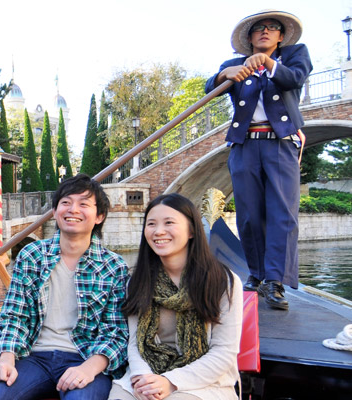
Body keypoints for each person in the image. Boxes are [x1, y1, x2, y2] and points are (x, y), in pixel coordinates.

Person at [0, 174, 129, 400]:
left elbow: (116, 332)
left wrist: (88, 369)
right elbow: (14, 316)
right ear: (55, 211)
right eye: (66, 202)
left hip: (86, 356)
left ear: (99, 216)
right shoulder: (32, 255)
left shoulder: (114, 266)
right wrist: (6, 361)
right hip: (34, 357)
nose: (73, 209)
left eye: (84, 204)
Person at [205, 9, 312, 310]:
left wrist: (267, 62)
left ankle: (275, 280)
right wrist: (224, 75)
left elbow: (294, 78)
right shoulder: (235, 66)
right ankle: (257, 273)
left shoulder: (294, 56)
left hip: (280, 144)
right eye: (259, 28)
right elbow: (210, 88)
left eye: (272, 27)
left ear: (281, 35)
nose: (265, 31)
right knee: (249, 214)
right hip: (245, 145)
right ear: (250, 38)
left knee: (282, 214)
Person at [109, 194, 242, 400]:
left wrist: (170, 381)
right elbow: (135, 343)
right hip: (147, 374)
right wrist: (143, 377)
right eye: (151, 224)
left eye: (169, 222)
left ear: (191, 230)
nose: (158, 231)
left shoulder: (222, 281)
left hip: (205, 381)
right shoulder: (138, 281)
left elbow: (224, 352)